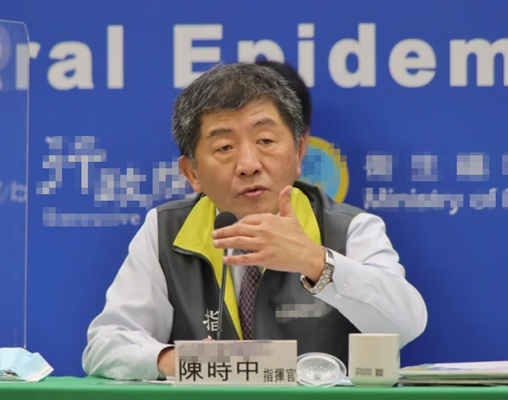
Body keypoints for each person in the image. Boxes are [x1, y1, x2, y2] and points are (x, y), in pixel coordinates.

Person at [82, 62, 428, 381]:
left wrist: (315, 261)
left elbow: (406, 324)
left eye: (265, 141)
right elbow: (105, 343)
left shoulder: (350, 228)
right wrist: (174, 360)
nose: (248, 164)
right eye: (224, 148)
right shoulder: (164, 230)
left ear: (299, 153)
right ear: (192, 173)